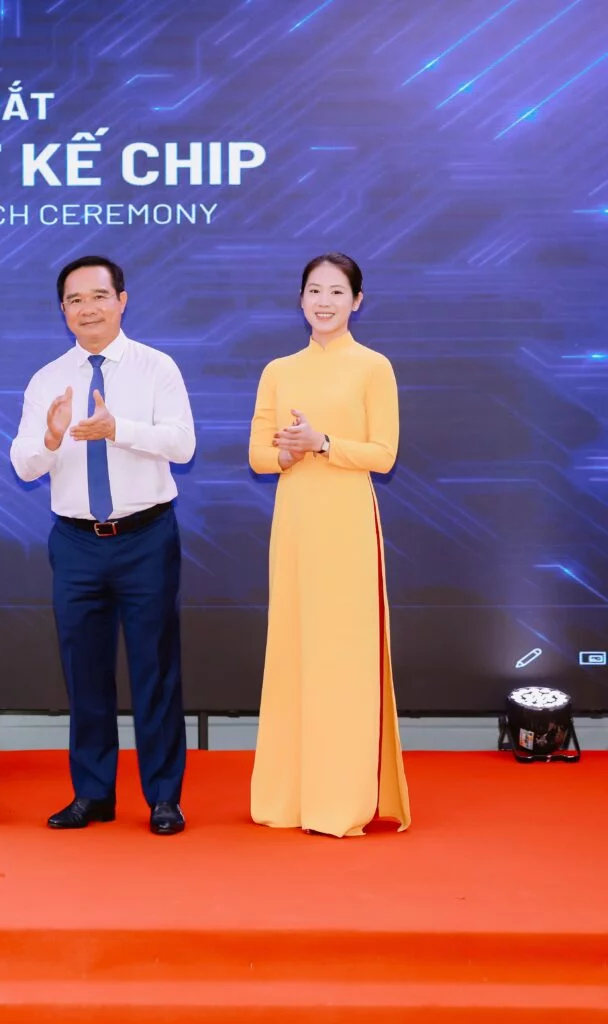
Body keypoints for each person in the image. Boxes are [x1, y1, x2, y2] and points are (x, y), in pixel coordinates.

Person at [11, 256, 196, 835]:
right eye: (75, 300)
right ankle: (92, 794)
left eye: (98, 296)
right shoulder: (47, 379)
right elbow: (23, 464)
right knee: (84, 672)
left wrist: (120, 430)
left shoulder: (156, 367)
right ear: (62, 310)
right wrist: (50, 437)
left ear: (122, 300)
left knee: (155, 671)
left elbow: (183, 445)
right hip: (76, 544)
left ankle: (163, 798)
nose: (87, 309)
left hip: (146, 537)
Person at [248, 253, 412, 837]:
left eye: (337, 292)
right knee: (293, 653)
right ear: (300, 299)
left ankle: (341, 800)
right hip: (295, 523)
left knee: (343, 657)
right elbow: (258, 456)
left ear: (357, 301)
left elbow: (384, 454)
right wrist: (288, 452)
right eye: (314, 290)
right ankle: (288, 799)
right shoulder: (278, 370)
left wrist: (322, 443)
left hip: (347, 524)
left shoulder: (373, 367)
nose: (324, 301)